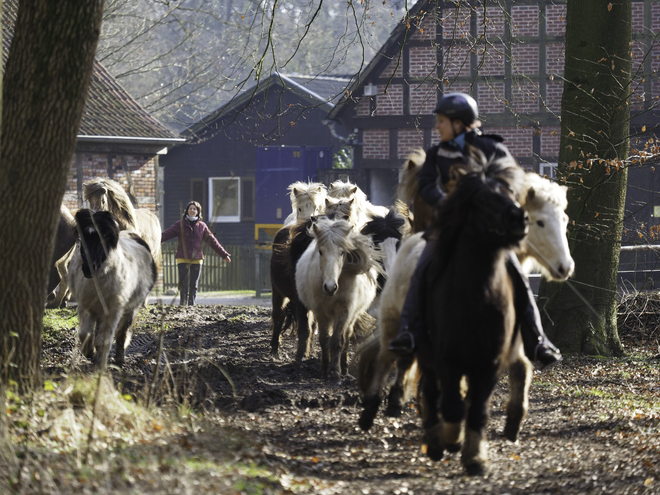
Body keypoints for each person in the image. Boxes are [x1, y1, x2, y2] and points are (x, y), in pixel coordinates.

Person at [388, 92, 562, 369]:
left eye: (442, 121)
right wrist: (447, 202)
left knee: (517, 277)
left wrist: (492, 197)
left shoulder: (493, 148)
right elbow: (427, 185)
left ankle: (538, 341)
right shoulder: (436, 154)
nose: (438, 127)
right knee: (421, 269)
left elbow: (514, 179)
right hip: (448, 229)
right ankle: (408, 331)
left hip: (489, 233)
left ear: (459, 123)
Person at [161, 201, 231, 306]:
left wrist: (224, 254)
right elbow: (166, 235)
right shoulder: (179, 224)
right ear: (187, 211)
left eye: (195, 209)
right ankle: (183, 304)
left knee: (194, 284)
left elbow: (213, 241)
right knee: (183, 283)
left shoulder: (202, 226)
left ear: (198, 212)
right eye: (190, 208)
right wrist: (152, 240)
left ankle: (191, 305)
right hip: (182, 258)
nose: (192, 210)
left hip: (197, 259)